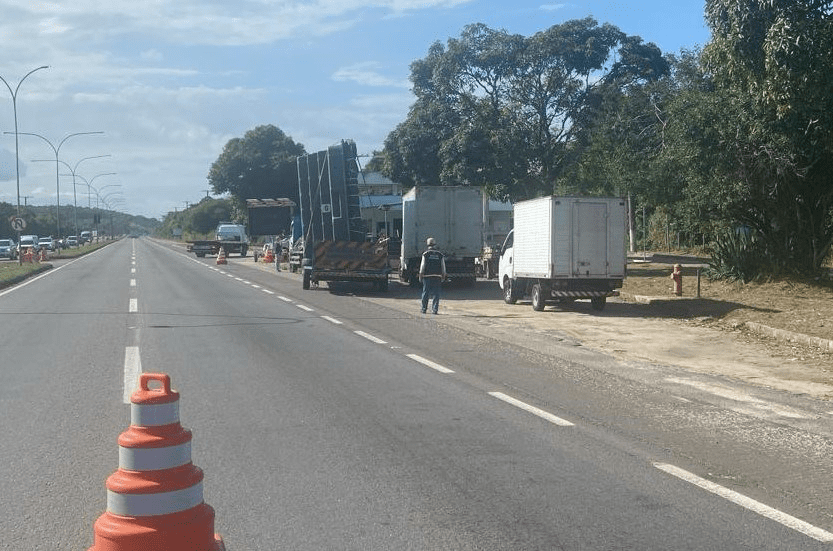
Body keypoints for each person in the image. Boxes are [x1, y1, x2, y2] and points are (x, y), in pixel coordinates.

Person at [419, 237, 446, 314]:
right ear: (435, 244)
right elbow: (443, 266)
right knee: (436, 294)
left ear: (427, 244)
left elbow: (422, 265)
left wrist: (420, 275)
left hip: (427, 276)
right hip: (437, 276)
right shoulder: (440, 254)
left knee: (425, 293)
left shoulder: (425, 254)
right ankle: (435, 310)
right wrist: (443, 275)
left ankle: (424, 309)